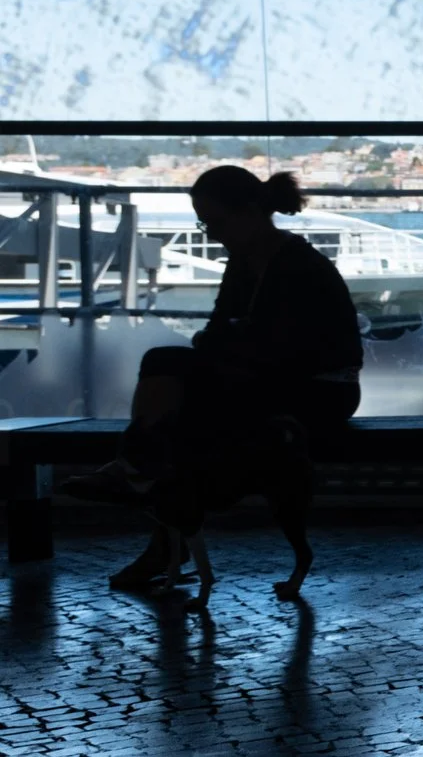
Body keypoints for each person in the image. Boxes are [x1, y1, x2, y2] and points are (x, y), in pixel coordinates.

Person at [62, 167, 363, 590]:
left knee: (172, 389)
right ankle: (143, 478)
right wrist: (230, 346)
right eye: (206, 224)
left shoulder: (296, 267)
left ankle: (141, 486)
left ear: (250, 211)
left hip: (322, 390)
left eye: (215, 222)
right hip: (285, 381)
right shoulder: (254, 262)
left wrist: (226, 346)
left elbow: (280, 348)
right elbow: (239, 336)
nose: (213, 233)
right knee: (176, 404)